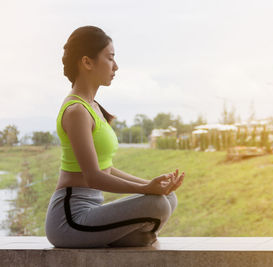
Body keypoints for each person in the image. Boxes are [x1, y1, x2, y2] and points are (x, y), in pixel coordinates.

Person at [45, 25, 185, 248]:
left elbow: (106, 169)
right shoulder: (76, 111)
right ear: (87, 62)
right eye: (110, 58)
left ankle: (127, 236)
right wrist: (146, 189)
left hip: (91, 212)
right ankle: (131, 236)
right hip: (69, 221)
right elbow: (93, 178)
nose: (116, 66)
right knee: (157, 206)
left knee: (168, 199)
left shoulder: (93, 107)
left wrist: (156, 185)